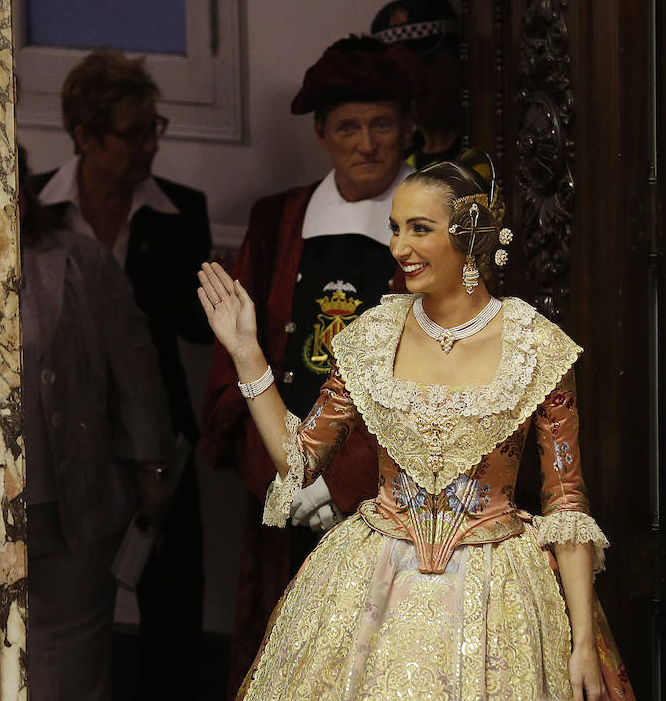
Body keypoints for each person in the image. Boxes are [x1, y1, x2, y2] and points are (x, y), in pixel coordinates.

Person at [197, 152, 635, 700]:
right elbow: (298, 458)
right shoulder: (372, 335)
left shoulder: (535, 346)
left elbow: (566, 505)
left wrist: (582, 644)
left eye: (419, 229)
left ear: (470, 236)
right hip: (370, 581)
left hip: (496, 594)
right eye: (396, 229)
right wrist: (245, 352)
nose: (399, 247)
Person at [200, 35, 425, 696]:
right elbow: (233, 358)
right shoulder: (277, 221)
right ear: (322, 133)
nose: (367, 144)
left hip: (396, 502)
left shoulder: (437, 223)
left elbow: (439, 375)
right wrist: (281, 475)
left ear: (406, 128)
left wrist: (341, 483)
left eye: (382, 124)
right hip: (285, 494)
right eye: (349, 127)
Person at [32, 50, 211, 699]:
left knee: (172, 603)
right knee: (70, 615)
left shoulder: (179, 211)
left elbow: (194, 328)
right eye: (132, 133)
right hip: (64, 440)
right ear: (84, 135)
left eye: (153, 129)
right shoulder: (38, 213)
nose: (148, 148)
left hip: (159, 432)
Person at [19, 146, 176, 701]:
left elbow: (134, 373)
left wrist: (152, 467)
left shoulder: (82, 260)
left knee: (70, 667)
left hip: (73, 505)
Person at [371, 0, 463, 169]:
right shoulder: (389, 161)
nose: (408, 80)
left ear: (457, 58)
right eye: (395, 70)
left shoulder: (488, 153)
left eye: (421, 64)